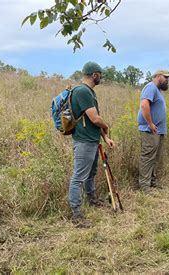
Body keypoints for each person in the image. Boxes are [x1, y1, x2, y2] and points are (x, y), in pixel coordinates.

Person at [68, 61, 114, 227]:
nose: (101, 77)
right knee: (79, 176)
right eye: (100, 74)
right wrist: (106, 126)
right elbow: (95, 118)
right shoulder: (82, 91)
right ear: (95, 74)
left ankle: (92, 199)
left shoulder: (89, 92)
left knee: (91, 173)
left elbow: (93, 120)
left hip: (92, 140)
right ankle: (76, 213)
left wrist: (105, 138)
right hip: (84, 141)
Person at [137, 70, 169, 193]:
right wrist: (150, 123)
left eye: (168, 78)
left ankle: (152, 181)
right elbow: (144, 105)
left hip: (159, 131)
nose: (168, 80)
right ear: (157, 76)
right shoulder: (150, 87)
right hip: (150, 130)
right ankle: (144, 186)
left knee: (155, 158)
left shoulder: (158, 91)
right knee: (147, 157)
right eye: (165, 77)